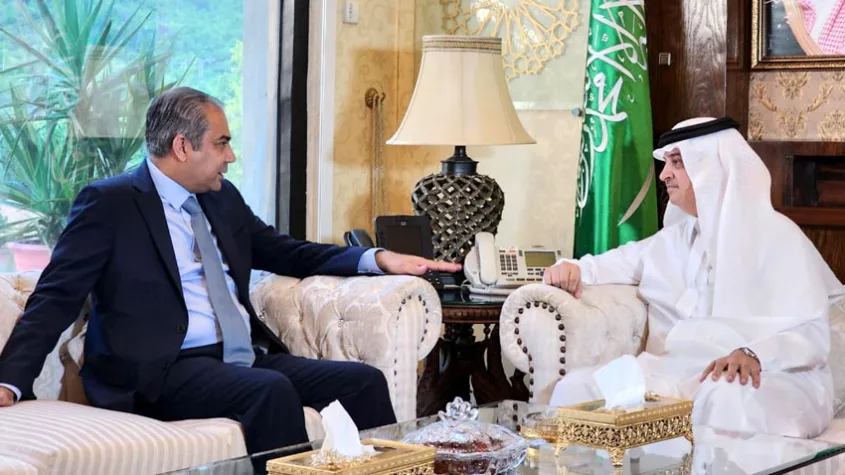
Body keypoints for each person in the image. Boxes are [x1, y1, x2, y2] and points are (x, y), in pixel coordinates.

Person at [0, 87, 461, 455]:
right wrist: (10, 380)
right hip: (159, 371)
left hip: (241, 357)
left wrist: (374, 259)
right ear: (183, 146)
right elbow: (57, 295)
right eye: (221, 143)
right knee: (270, 391)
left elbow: (284, 252)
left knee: (362, 382)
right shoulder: (110, 204)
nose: (231, 156)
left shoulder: (221, 197)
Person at [544, 117, 844, 438]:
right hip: (680, 370)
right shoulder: (674, 239)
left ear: (712, 168)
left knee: (727, 400)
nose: (664, 174)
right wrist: (570, 268)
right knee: (578, 389)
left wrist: (754, 353)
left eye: (677, 162)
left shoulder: (779, 237)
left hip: (775, 376)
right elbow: (607, 264)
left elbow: (812, 333)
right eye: (666, 163)